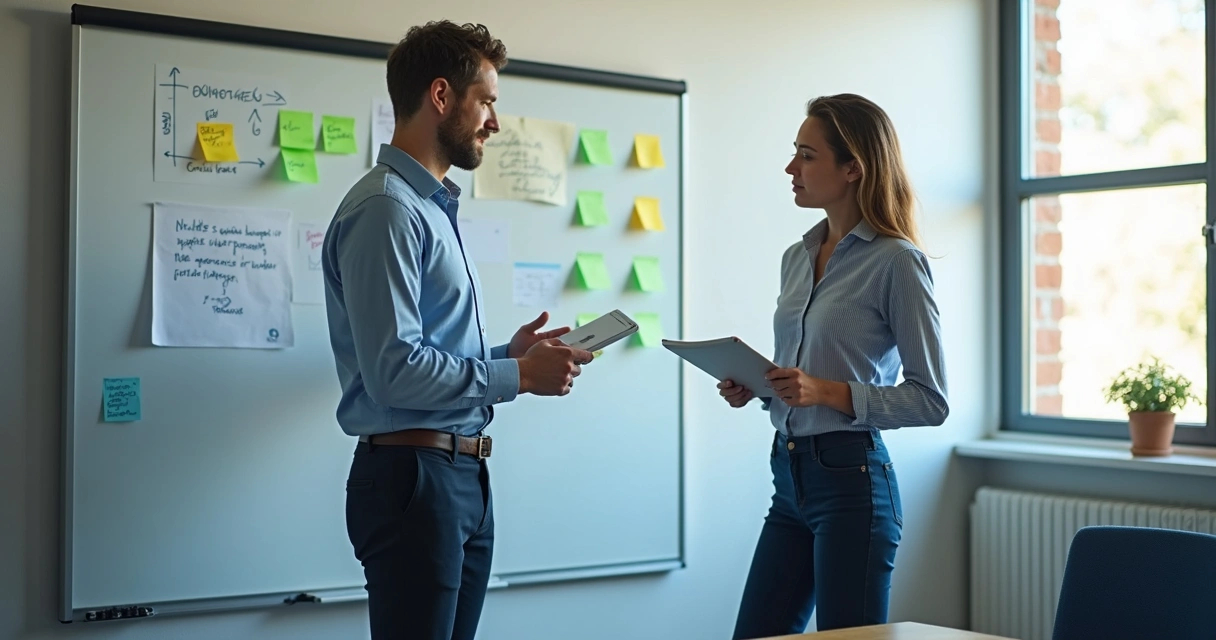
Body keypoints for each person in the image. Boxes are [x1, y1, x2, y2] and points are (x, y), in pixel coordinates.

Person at [321, 20, 593, 640]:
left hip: (458, 475)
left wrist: (507, 354)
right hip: (416, 479)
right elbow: (393, 372)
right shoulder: (387, 210)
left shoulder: (429, 207)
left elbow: (426, 355)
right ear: (441, 96)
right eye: (487, 101)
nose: (494, 122)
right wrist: (518, 375)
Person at [719, 93, 949, 639]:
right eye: (794, 153)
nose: (790, 168)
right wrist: (762, 387)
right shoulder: (795, 257)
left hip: (853, 484)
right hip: (790, 476)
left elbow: (931, 400)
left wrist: (823, 392)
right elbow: (804, 376)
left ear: (853, 168)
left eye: (806, 155)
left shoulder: (898, 262)